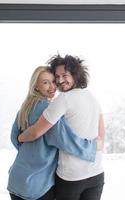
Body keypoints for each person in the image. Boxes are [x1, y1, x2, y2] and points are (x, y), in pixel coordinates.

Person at [18, 54, 105, 200]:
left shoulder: (63, 99)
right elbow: (102, 137)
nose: (59, 80)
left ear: (75, 75)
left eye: (64, 75)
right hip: (97, 173)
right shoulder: (92, 97)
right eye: (57, 77)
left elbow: (36, 131)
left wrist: (20, 137)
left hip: (72, 177)